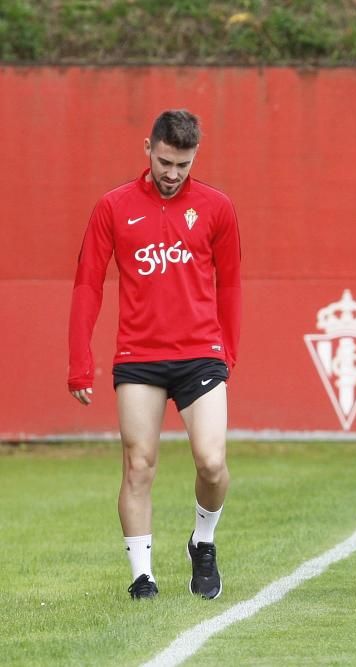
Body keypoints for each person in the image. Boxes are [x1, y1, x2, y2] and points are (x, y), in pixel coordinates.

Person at [68, 110, 242, 601]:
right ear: (149, 147)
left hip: (201, 355)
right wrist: (79, 360)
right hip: (139, 358)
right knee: (139, 464)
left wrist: (229, 349)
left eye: (183, 165)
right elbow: (87, 285)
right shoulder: (113, 207)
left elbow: (229, 283)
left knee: (211, 462)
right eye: (165, 161)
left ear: (195, 157)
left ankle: (202, 543)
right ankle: (142, 577)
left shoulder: (217, 207)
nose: (172, 173)